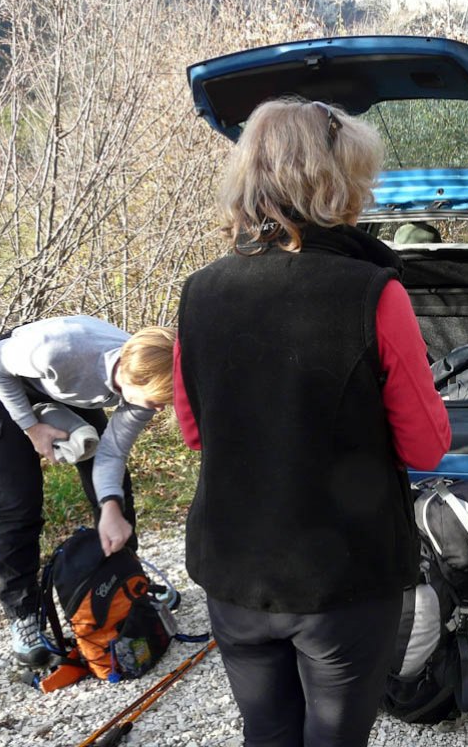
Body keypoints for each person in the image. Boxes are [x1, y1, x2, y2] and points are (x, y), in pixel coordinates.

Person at [173, 98, 451, 747]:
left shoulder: (199, 292)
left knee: (266, 731)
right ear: (341, 182)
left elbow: (195, 432)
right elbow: (427, 446)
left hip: (235, 569)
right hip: (342, 578)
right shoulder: (375, 293)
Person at [0, 316, 175, 667]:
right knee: (21, 503)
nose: (159, 408)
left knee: (115, 490)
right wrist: (31, 428)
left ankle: (127, 583)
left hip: (65, 390)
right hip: (0, 386)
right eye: (157, 401)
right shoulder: (58, 352)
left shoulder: (144, 382)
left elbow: (112, 454)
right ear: (133, 378)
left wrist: (111, 508)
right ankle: (23, 614)